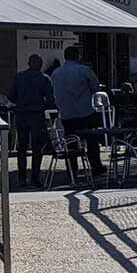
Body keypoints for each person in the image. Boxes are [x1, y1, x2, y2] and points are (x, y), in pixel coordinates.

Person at [50, 45, 105, 182]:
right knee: (92, 141)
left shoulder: (56, 73)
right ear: (77, 56)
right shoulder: (84, 70)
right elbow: (95, 87)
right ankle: (96, 167)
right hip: (84, 112)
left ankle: (71, 171)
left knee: (71, 144)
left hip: (67, 114)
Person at [11, 55, 53, 187]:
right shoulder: (44, 78)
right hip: (36, 114)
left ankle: (22, 178)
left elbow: (11, 96)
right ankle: (35, 178)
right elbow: (50, 99)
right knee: (37, 148)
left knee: (22, 148)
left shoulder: (19, 77)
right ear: (40, 65)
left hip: (22, 114)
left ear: (29, 63)